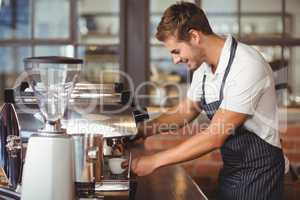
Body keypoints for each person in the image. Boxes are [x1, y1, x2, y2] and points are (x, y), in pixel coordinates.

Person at [130, 2, 285, 200]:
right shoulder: (204, 69)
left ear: (195, 36)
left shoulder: (246, 65)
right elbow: (186, 110)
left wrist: (154, 161)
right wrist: (141, 130)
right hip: (232, 170)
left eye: (176, 51)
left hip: (261, 175)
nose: (175, 61)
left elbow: (215, 135)